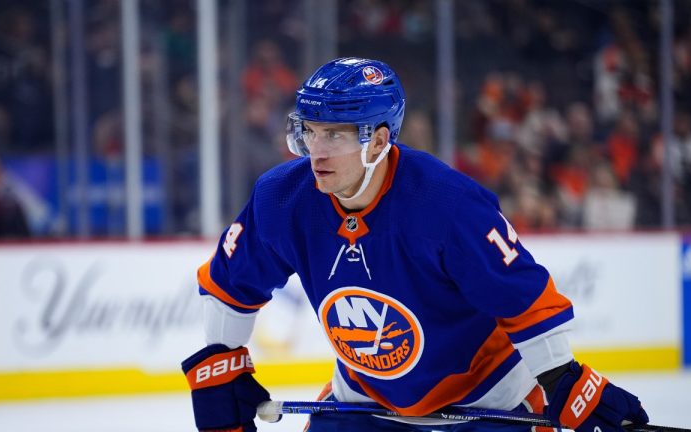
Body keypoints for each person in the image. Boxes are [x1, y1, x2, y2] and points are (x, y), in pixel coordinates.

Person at [181, 58, 649, 432]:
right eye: (311, 131)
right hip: (364, 394)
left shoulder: (445, 203)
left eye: (336, 135)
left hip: (489, 396)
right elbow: (231, 281)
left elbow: (519, 292)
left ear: (379, 140)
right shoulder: (283, 196)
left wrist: (562, 377)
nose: (316, 151)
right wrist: (222, 361)